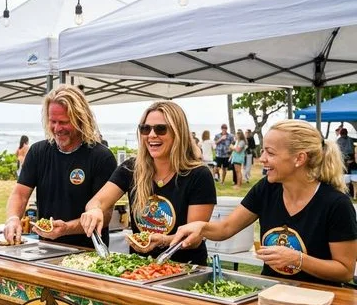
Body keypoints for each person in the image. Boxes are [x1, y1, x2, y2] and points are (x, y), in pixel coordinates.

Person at [172, 119, 357, 286]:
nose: (262, 159)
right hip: (270, 294)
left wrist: (298, 259)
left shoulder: (336, 204)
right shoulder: (267, 189)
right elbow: (226, 228)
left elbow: (345, 271)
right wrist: (200, 227)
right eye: (262, 151)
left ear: (299, 158)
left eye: (270, 152)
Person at [80, 102, 216, 265]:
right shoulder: (130, 169)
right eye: (145, 129)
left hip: (185, 269)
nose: (151, 135)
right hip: (140, 269)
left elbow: (193, 237)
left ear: (178, 132)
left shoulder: (199, 175)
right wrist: (95, 210)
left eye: (160, 129)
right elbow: (97, 201)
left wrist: (163, 240)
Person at [3, 84, 117, 248]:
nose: (57, 128)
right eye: (52, 121)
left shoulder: (101, 157)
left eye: (64, 122)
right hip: (45, 249)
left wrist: (66, 229)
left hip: (87, 253)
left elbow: (104, 216)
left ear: (80, 119)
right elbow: (20, 195)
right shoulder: (38, 151)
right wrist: (13, 218)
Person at [336, 127, 357, 198]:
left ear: (341, 134)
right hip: (351, 161)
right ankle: (353, 195)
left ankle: (347, 195)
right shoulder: (350, 139)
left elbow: (339, 152)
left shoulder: (339, 140)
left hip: (344, 162)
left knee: (346, 179)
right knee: (353, 180)